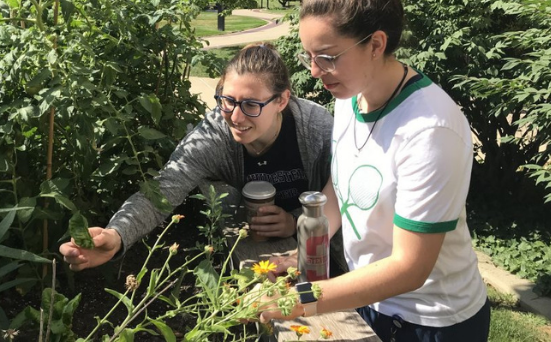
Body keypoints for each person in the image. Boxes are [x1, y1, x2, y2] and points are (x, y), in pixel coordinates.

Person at [257, 0, 490, 341]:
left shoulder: (430, 129)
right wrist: (300, 258)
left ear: (376, 45)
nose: (314, 72)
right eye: (308, 56)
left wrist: (298, 299)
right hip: (369, 297)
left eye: (327, 57)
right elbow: (340, 189)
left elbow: (410, 268)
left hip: (433, 322)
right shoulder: (350, 96)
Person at [60, 42, 346, 273]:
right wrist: (116, 235)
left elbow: (345, 195)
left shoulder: (316, 129)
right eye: (228, 101)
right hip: (262, 249)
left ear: (281, 101)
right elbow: (164, 188)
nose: (235, 117)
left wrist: (295, 221)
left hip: (329, 249)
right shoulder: (214, 135)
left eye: (250, 105)